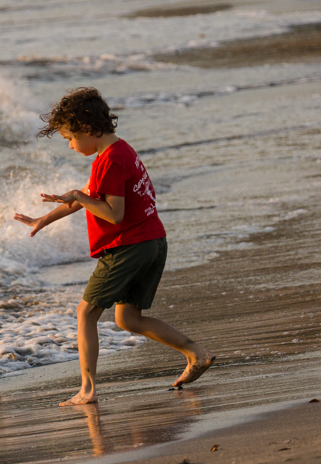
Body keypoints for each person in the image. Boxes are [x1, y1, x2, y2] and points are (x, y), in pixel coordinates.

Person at [14, 87, 215, 405]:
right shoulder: (122, 151)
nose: (69, 145)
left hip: (128, 246)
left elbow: (113, 214)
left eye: (70, 137)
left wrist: (79, 197)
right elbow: (87, 193)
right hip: (152, 242)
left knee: (85, 313)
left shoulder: (109, 162)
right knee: (128, 319)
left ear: (88, 129)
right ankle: (196, 353)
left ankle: (88, 390)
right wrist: (44, 219)